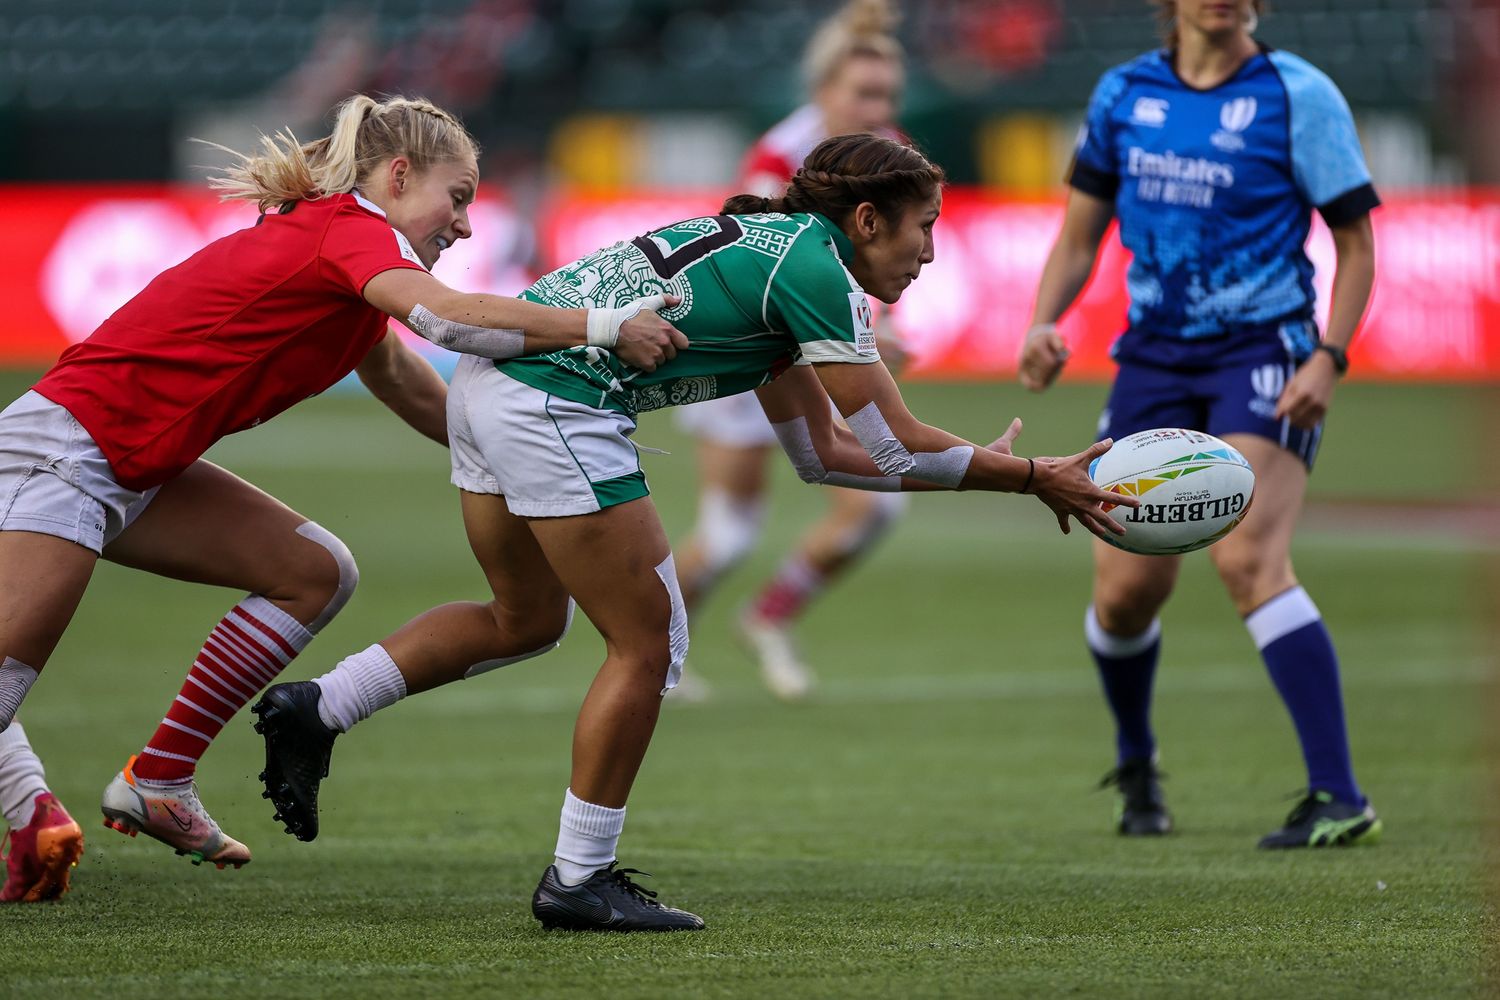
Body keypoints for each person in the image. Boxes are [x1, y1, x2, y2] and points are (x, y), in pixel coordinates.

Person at [254, 132, 1137, 932]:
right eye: (923, 228)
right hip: (558, 401)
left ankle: (320, 705)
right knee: (650, 641)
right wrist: (1028, 475)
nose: (932, 251)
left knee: (525, 619)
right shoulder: (818, 269)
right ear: (867, 220)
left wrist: (996, 468)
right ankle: (579, 876)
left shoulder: (774, 251)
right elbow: (892, 440)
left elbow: (826, 453)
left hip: (493, 389)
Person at [0, 93, 686, 901]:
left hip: (132, 462)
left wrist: (533, 467)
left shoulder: (347, 260)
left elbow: (415, 388)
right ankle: (31, 804)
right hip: (65, 450)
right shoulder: (350, 231)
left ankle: (158, 779)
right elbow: (451, 321)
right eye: (457, 196)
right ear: (398, 176)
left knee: (315, 571)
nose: (465, 224)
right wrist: (600, 327)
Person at [1017, 0, 1381, 848]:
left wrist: (1329, 354)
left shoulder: (1300, 94)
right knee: (1123, 592)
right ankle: (1137, 763)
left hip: (1265, 349)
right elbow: (1080, 233)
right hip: (1152, 359)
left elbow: (1356, 244)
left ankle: (1339, 793)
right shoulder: (1123, 93)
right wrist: (1044, 319)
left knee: (1249, 556)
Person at [672, 0, 909, 700]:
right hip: (755, 354)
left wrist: (880, 324)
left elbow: (882, 257)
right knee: (729, 534)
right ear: (823, 90)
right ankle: (653, 650)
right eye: (863, 93)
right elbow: (770, 269)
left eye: (888, 95)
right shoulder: (780, 158)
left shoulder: (888, 153)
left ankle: (768, 617)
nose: (878, 108)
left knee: (879, 503)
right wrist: (862, 332)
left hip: (827, 350)